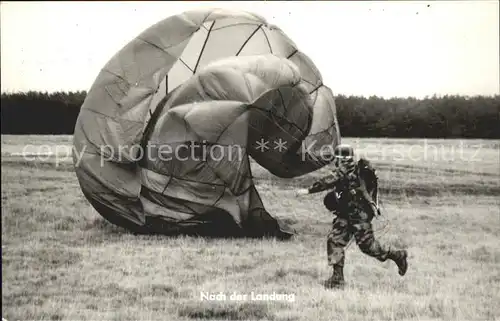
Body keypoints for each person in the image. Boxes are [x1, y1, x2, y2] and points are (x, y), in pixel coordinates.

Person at [296, 144, 408, 289]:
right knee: (334, 240)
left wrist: (307, 191)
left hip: (359, 217)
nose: (335, 161)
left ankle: (398, 255)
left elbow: (328, 181)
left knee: (368, 247)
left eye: (336, 158)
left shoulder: (346, 170)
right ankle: (337, 280)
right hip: (346, 215)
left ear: (342, 159)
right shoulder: (349, 169)